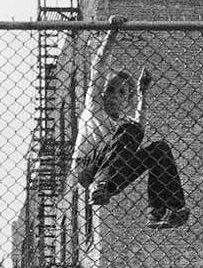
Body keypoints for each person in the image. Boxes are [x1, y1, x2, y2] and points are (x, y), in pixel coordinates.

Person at [70, 17, 190, 228]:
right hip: (87, 168)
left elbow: (139, 127)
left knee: (159, 148)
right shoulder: (94, 108)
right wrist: (112, 31)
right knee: (130, 130)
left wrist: (143, 93)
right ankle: (101, 183)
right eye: (110, 90)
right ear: (102, 93)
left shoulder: (124, 124)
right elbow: (98, 65)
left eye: (122, 92)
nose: (115, 95)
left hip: (113, 177)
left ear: (127, 100)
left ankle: (165, 209)